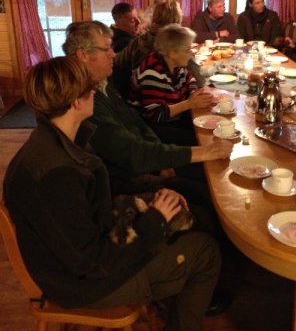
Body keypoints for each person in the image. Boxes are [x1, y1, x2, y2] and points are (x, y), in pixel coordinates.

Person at [3, 56, 221, 331]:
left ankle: (167, 295)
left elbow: (98, 202)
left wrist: (151, 196)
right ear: (76, 102)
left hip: (88, 256)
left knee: (196, 215)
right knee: (206, 252)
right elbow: (92, 261)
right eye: (89, 89)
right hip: (83, 284)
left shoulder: (60, 141)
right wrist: (155, 219)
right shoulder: (56, 174)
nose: (95, 92)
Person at [62, 20, 233, 197]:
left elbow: (135, 121)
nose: (113, 55)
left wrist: (162, 159)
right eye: (106, 49)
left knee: (213, 172)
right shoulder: (84, 100)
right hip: (128, 182)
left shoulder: (102, 83)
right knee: (213, 188)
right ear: (83, 55)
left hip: (144, 160)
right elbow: (129, 152)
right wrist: (201, 152)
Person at [129, 24, 213, 145]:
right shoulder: (152, 73)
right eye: (187, 49)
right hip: (155, 130)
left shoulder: (174, 64)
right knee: (204, 140)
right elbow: (154, 114)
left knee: (210, 126)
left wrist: (194, 93)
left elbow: (190, 78)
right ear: (172, 52)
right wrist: (189, 103)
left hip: (175, 118)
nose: (191, 54)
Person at [114, 0, 204, 99]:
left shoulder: (139, 41)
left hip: (140, 97)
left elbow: (117, 61)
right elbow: (200, 80)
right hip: (164, 102)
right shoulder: (175, 43)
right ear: (177, 21)